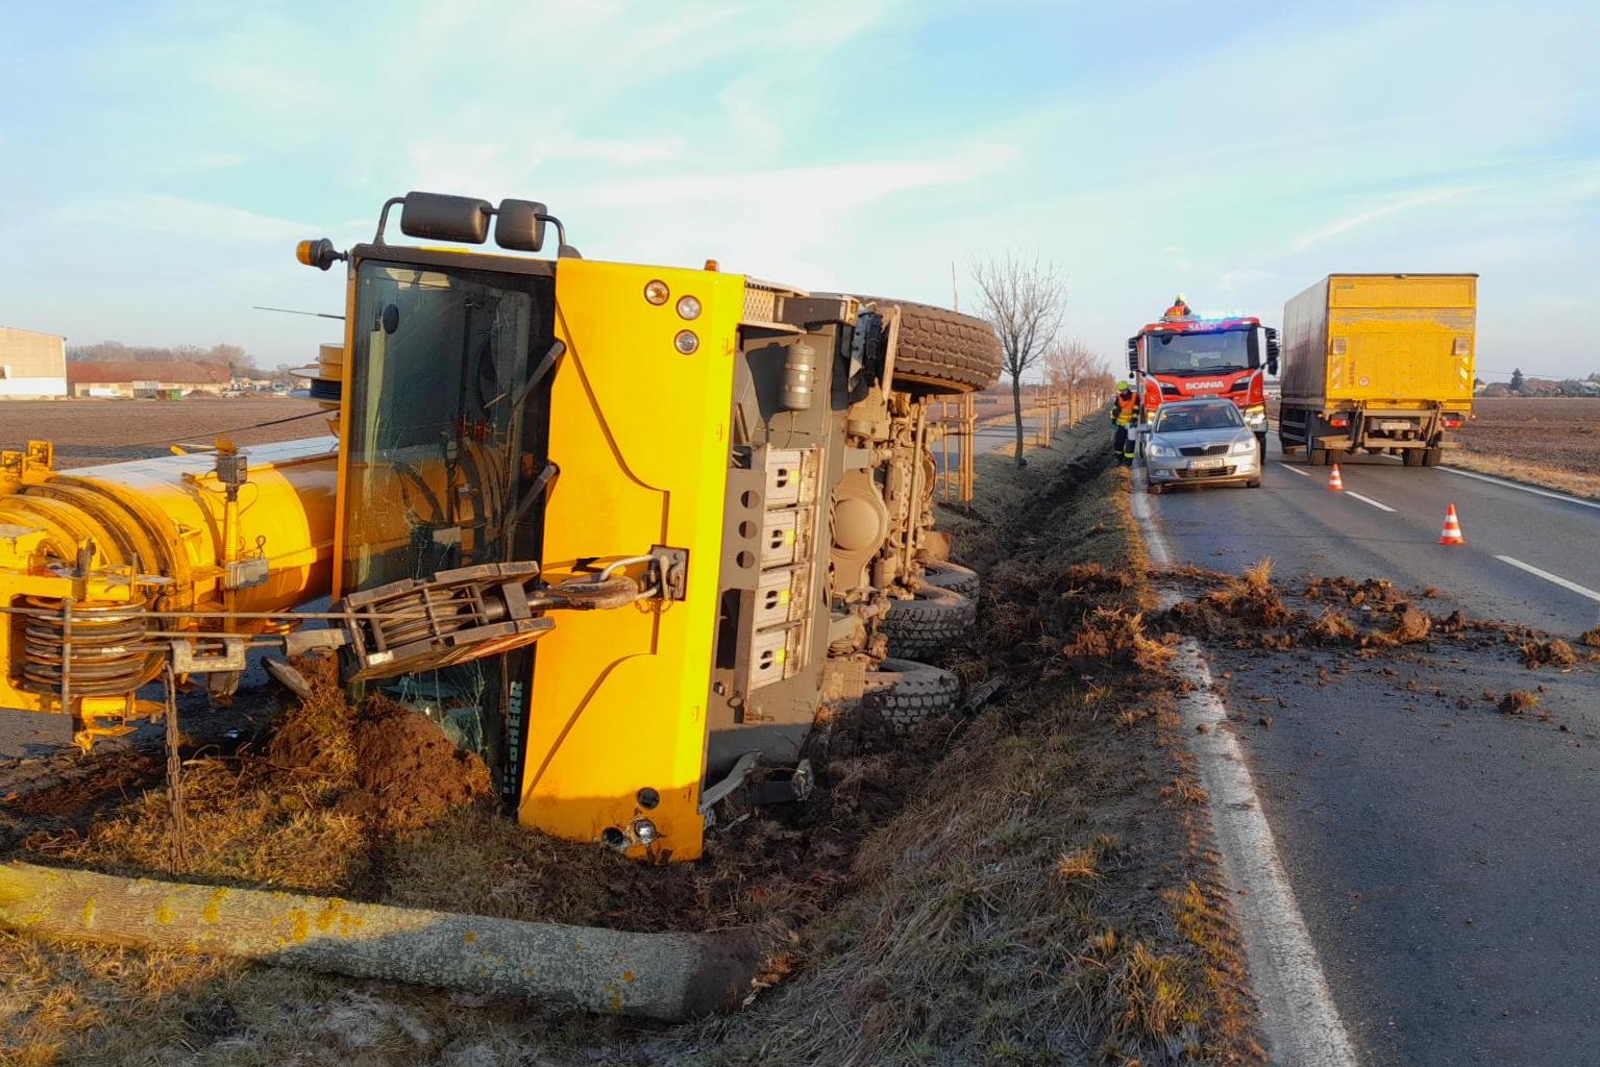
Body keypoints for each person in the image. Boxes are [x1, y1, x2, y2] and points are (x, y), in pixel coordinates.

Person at [1109, 380, 1138, 465]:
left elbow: (1136, 410)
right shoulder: (1119, 398)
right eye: (1121, 391)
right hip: (1121, 424)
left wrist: (1133, 421)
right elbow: (1115, 410)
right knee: (1118, 443)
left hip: (1131, 425)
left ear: (1127, 389)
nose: (1123, 392)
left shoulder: (1135, 396)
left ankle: (1128, 463)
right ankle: (1119, 459)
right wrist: (1114, 422)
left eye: (1124, 390)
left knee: (1130, 444)